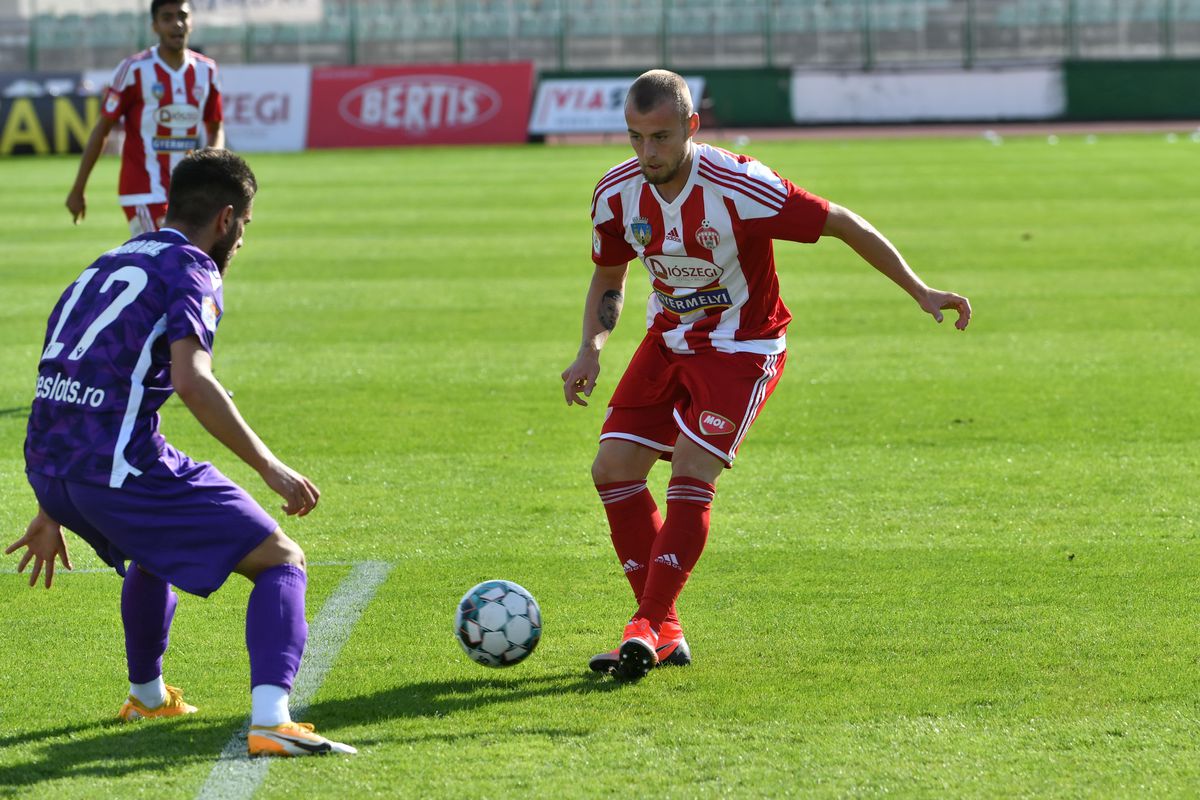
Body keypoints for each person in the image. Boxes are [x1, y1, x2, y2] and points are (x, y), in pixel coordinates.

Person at [560, 69, 972, 682]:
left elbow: (841, 222)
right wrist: (591, 347)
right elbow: (610, 274)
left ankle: (646, 625)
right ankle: (664, 631)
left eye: (663, 137)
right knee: (612, 469)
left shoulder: (739, 183)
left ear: (692, 127)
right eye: (636, 137)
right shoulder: (616, 193)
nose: (649, 152)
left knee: (692, 470)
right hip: (668, 338)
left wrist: (918, 289)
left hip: (744, 346)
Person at [8, 149, 353, 757]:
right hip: (113, 464)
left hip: (54, 461)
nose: (242, 240)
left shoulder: (106, 261)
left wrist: (51, 501)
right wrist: (272, 468)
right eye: (245, 226)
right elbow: (192, 381)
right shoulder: (192, 269)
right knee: (280, 559)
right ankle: (273, 720)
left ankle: (146, 695)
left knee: (153, 549)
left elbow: (61, 364)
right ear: (226, 219)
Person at [66, 0, 224, 236]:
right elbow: (103, 128)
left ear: (191, 22)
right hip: (144, 191)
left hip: (188, 191)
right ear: (155, 26)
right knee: (163, 259)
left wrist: (213, 169)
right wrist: (78, 189)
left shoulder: (206, 71)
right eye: (167, 18)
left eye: (182, 16)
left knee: (183, 264)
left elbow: (215, 127)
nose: (177, 24)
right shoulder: (134, 69)